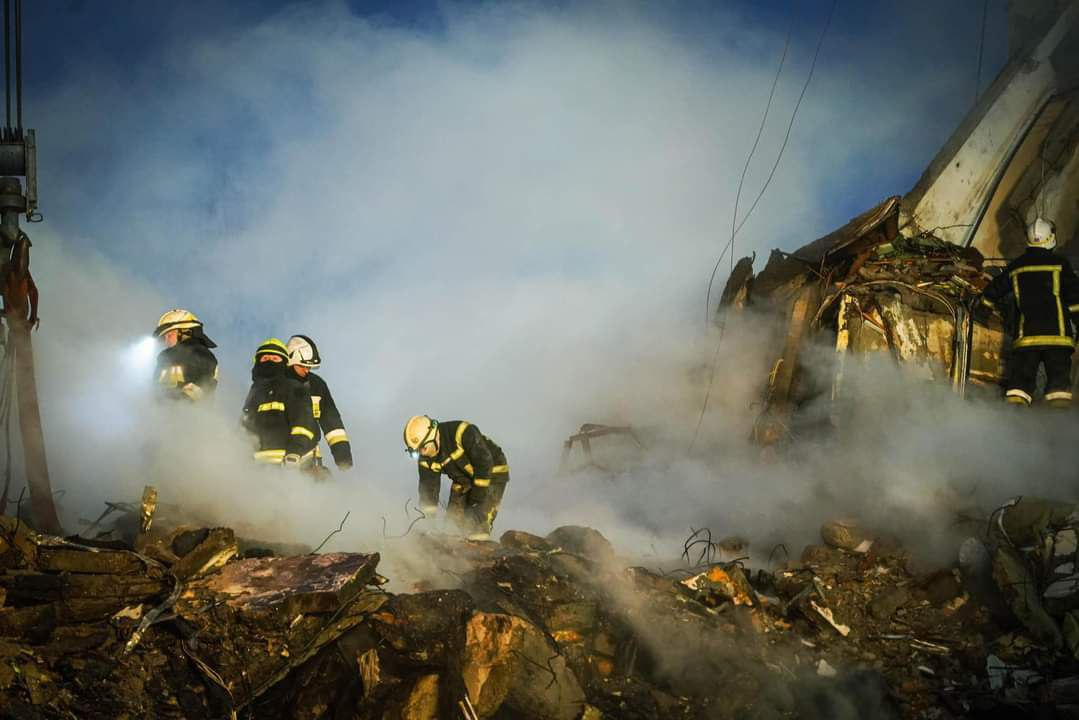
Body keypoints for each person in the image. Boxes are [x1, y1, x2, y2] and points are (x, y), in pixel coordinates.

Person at [981, 218, 1079, 407]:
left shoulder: (1017, 266)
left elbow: (993, 290)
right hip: (1057, 339)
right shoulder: (1060, 265)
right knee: (1058, 389)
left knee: (1019, 387)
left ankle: (1016, 424)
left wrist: (983, 309)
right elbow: (1075, 299)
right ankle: (1057, 426)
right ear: (1051, 238)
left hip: (1027, 339)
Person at [403, 415, 509, 541]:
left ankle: (481, 550)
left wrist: (476, 502)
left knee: (476, 525)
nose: (422, 454)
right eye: (416, 452)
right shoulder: (425, 458)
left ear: (433, 436)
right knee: (452, 526)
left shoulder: (462, 432)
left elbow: (484, 463)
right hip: (464, 479)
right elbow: (428, 490)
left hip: (491, 473)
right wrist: (428, 523)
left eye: (423, 448)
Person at [241, 338, 317, 466]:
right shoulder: (253, 393)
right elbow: (244, 427)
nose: (269, 361)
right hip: (256, 470)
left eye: (275, 359)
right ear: (257, 362)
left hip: (288, 467)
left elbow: (303, 423)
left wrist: (295, 452)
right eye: (265, 358)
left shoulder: (294, 388)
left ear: (285, 364)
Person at [286, 335, 353, 473]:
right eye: (303, 365)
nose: (306, 370)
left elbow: (332, 423)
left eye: (309, 366)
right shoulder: (277, 385)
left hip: (311, 462)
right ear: (290, 360)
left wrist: (343, 457)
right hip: (283, 463)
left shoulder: (317, 386)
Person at [152, 309, 218, 401]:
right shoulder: (165, 357)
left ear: (185, 332)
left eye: (169, 335)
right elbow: (155, 389)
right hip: (161, 412)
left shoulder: (201, 355)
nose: (166, 341)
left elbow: (202, 392)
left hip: (188, 413)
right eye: (164, 337)